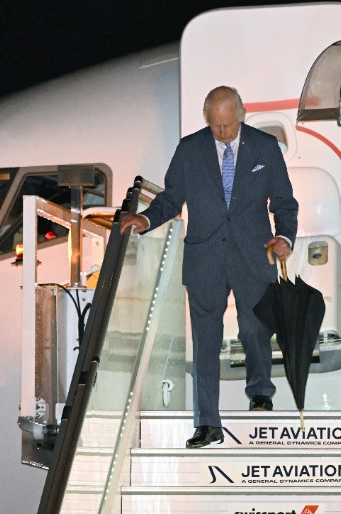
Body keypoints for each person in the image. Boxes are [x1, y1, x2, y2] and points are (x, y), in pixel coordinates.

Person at [120, 86, 298, 448]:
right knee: (205, 342)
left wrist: (286, 238)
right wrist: (144, 220)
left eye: (228, 126)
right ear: (208, 119)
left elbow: (284, 201)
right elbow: (171, 198)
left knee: (254, 327)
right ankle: (207, 423)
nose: (222, 133)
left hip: (254, 255)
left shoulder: (265, 148)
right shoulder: (189, 149)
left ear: (242, 114)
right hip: (205, 259)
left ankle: (260, 392)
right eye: (216, 126)